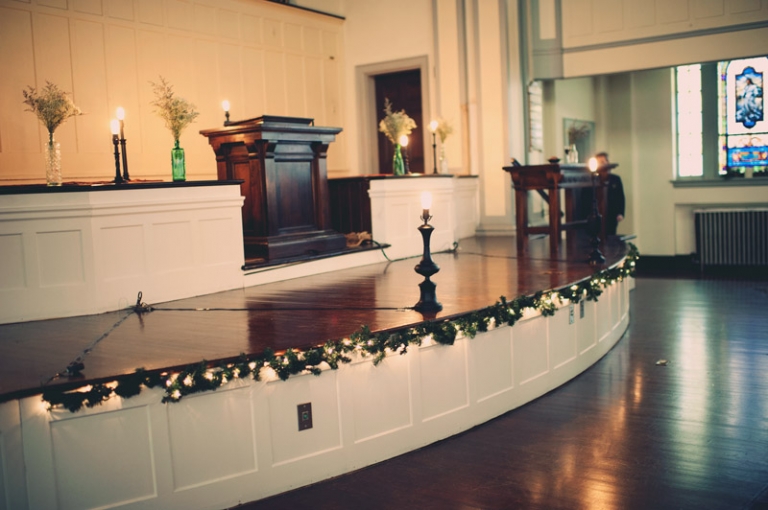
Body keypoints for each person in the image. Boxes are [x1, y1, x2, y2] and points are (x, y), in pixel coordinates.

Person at [596, 152, 625, 236]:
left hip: (612, 214)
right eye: (600, 162)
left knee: (611, 236)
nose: (603, 164)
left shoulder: (615, 179)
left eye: (605, 161)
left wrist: (620, 213)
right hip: (597, 215)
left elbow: (620, 197)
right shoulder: (594, 179)